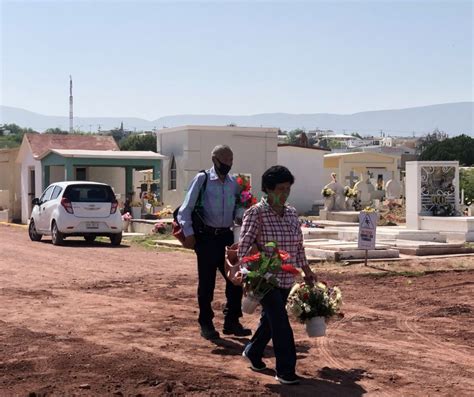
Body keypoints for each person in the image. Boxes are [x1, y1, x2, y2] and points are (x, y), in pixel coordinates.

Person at [237, 165, 316, 385]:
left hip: (287, 279)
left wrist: (307, 271)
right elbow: (244, 248)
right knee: (281, 323)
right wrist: (256, 267)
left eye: (288, 189)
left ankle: (253, 351)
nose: (284, 193)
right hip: (264, 280)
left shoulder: (291, 213)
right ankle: (285, 370)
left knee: (271, 322)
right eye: (280, 189)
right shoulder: (256, 214)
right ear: (268, 190)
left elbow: (298, 247)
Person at [178, 145, 252, 340]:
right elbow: (185, 209)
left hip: (227, 238)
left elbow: (240, 204)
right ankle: (206, 322)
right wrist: (189, 233)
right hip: (206, 238)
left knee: (235, 279)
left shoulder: (234, 183)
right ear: (215, 160)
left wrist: (239, 216)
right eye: (225, 160)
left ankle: (232, 321)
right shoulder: (202, 179)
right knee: (207, 283)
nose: (229, 163)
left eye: (231, 159)